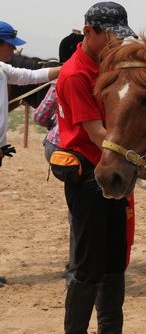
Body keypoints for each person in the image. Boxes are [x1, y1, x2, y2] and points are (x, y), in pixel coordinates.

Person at [56, 3, 146, 334]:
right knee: (88, 262)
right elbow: (96, 133)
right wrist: (136, 157)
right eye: (108, 36)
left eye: (118, 37)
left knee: (114, 259)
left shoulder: (108, 67)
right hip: (87, 175)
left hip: (114, 171)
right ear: (89, 32)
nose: (114, 43)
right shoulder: (75, 75)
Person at [0, 21, 60, 288]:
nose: (13, 51)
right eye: (10, 46)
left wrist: (70, 67)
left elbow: (31, 77)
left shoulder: (3, 70)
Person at [34, 31, 83, 280]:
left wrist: (58, 122)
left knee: (76, 209)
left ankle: (75, 265)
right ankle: (80, 266)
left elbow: (40, 116)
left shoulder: (61, 79)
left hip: (57, 150)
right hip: (83, 150)